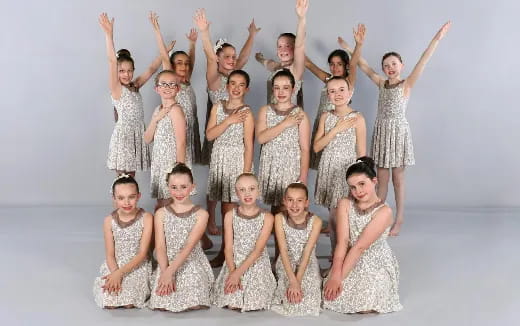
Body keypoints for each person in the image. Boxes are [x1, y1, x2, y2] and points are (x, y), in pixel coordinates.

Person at [341, 22, 451, 235]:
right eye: (386, 65)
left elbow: (423, 60)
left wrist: (437, 38)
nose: (390, 68)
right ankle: (377, 215)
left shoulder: (406, 84)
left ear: (401, 65)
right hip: (382, 133)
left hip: (397, 133)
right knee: (381, 178)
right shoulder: (382, 83)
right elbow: (363, 66)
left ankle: (399, 218)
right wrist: (350, 46)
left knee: (398, 180)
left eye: (394, 64)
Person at [194, 8, 260, 236]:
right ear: (218, 58)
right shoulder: (215, 79)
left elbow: (242, 58)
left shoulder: (235, 78)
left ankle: (227, 223)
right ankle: (211, 219)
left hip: (237, 133)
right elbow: (210, 56)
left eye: (233, 57)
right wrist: (205, 33)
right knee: (217, 178)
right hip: (218, 128)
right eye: (227, 57)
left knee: (228, 181)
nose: (232, 60)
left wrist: (251, 36)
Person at [323, 157, 402, 314]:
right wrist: (336, 274)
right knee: (331, 292)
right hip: (349, 255)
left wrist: (339, 278)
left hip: (373, 259)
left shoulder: (384, 212)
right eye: (352, 187)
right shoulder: (345, 204)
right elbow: (343, 241)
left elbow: (360, 247)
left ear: (374, 181)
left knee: (364, 305)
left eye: (362, 184)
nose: (358, 191)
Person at [99, 13, 172, 176]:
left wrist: (164, 52)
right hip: (124, 135)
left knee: (131, 175)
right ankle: (119, 201)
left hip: (137, 133)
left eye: (129, 71)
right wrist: (109, 35)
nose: (126, 74)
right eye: (122, 71)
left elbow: (152, 69)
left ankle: (130, 202)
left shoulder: (135, 86)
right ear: (117, 72)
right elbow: (111, 61)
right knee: (122, 177)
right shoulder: (116, 89)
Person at [206, 70, 255, 267]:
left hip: (237, 161)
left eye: (240, 84)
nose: (236, 88)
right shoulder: (218, 107)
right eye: (232, 83)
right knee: (225, 210)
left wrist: (245, 174)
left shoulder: (247, 112)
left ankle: (230, 253)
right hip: (220, 159)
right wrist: (228, 121)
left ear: (246, 88)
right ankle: (227, 251)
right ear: (227, 86)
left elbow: (249, 145)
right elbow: (210, 135)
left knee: (232, 209)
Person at [148, 164, 214, 312]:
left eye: (183, 187)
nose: (179, 192)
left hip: (190, 258)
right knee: (162, 297)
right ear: (168, 187)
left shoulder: (201, 214)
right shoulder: (161, 213)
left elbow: (189, 246)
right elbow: (160, 246)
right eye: (174, 187)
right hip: (166, 257)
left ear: (192, 187)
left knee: (193, 297)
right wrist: (165, 272)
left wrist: (171, 272)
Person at [313, 76, 366, 255]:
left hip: (347, 170)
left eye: (341, 90)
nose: (337, 94)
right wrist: (335, 129)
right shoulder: (326, 117)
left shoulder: (357, 118)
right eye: (332, 91)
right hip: (329, 168)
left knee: (344, 216)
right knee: (334, 216)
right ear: (328, 95)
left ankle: (346, 256)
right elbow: (316, 146)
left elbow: (362, 152)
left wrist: (361, 179)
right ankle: (337, 256)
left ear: (350, 93)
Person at [211, 173, 276, 312]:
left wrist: (237, 274)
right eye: (242, 190)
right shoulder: (230, 215)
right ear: (236, 193)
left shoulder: (267, 217)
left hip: (256, 261)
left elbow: (258, 250)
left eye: (251, 189)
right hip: (235, 260)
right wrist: (232, 271)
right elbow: (228, 248)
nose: (247, 193)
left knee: (255, 300)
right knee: (232, 300)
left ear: (259, 191)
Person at [305, 24, 365, 170]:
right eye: (332, 64)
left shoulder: (348, 81)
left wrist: (358, 45)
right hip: (324, 122)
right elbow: (307, 63)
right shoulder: (327, 79)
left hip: (340, 123)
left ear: (345, 66)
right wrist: (298, 41)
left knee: (336, 161)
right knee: (322, 163)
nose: (335, 67)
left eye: (339, 64)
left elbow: (354, 62)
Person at [93, 175, 153, 309]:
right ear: (114, 198)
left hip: (137, 264)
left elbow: (142, 253)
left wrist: (120, 274)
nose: (126, 202)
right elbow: (109, 254)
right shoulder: (109, 221)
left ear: (138, 196)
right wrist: (115, 273)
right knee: (109, 297)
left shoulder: (147, 218)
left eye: (131, 197)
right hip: (115, 263)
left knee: (129, 301)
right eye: (121, 198)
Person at [257, 69, 310, 214]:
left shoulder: (300, 115)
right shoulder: (265, 110)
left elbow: (305, 148)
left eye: (285, 88)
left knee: (286, 205)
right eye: (277, 87)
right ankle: (277, 234)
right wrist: (285, 123)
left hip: (291, 165)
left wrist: (303, 176)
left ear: (293, 90)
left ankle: (285, 235)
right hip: (271, 163)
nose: (281, 92)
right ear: (272, 89)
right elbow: (261, 138)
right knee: (275, 205)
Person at [271, 183, 322, 316]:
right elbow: (283, 249)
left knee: (306, 294)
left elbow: (307, 252)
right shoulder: (279, 218)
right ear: (284, 201)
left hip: (307, 262)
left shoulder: (316, 221)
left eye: (299, 200)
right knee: (288, 294)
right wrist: (292, 281)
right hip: (287, 261)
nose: (294, 205)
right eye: (290, 200)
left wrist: (297, 281)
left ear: (306, 202)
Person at [144, 70, 187, 211]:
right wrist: (156, 118)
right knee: (162, 200)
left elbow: (181, 143)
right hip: (159, 162)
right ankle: (160, 230)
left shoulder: (175, 110)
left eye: (171, 84)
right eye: (163, 84)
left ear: (178, 88)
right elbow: (147, 138)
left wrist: (179, 171)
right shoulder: (158, 109)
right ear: (156, 89)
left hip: (171, 163)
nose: (167, 87)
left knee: (169, 200)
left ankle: (166, 230)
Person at [255, 0, 308, 108]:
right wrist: (259, 58)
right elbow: (267, 63)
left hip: (289, 117)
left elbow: (299, 46)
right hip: (271, 116)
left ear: (294, 49)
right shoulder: (277, 67)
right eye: (280, 46)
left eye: (288, 46)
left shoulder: (296, 69)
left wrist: (301, 18)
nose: (283, 49)